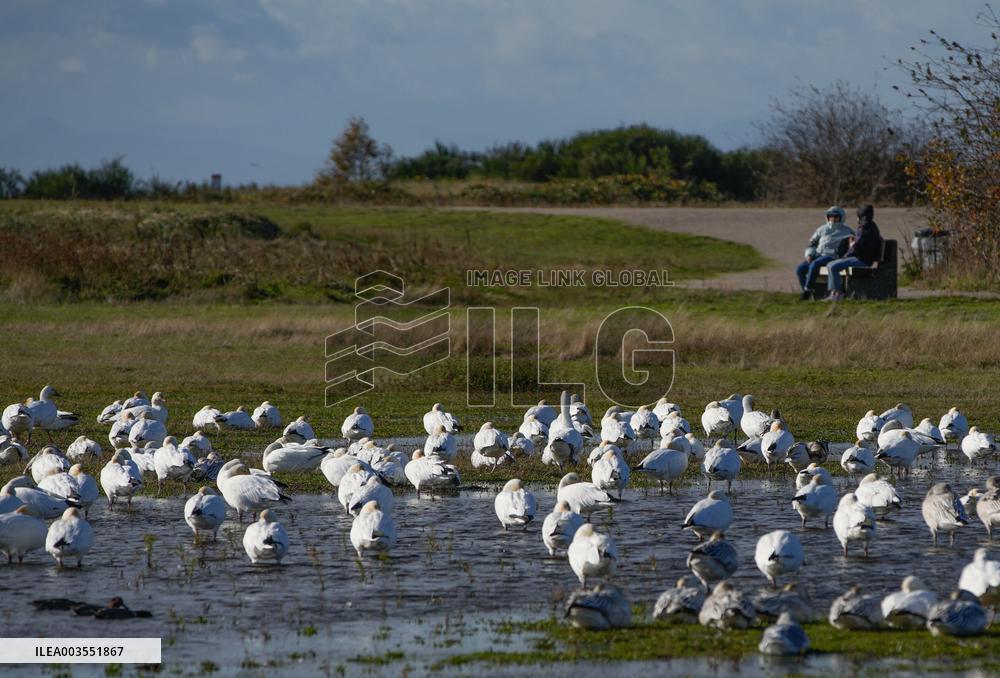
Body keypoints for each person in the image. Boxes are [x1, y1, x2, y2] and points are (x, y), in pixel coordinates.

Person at [824, 204, 884, 301]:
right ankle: (835, 292)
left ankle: (837, 293)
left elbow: (856, 246)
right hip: (866, 259)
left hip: (861, 260)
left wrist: (845, 256)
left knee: (832, 266)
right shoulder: (872, 226)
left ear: (860, 216)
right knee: (832, 265)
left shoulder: (863, 228)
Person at [795, 207, 853, 300]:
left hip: (831, 256)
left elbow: (852, 244)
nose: (833, 219)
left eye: (836, 216)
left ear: (841, 217)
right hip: (817, 254)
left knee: (815, 264)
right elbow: (812, 243)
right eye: (830, 216)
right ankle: (807, 292)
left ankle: (808, 290)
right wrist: (810, 254)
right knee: (800, 269)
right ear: (827, 217)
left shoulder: (847, 231)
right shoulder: (821, 229)